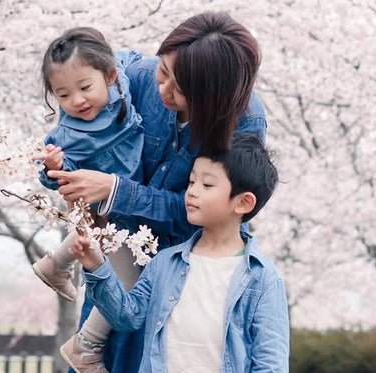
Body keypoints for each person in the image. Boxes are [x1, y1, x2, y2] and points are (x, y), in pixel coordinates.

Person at [46, 12, 268, 372]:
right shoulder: (137, 75)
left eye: (180, 90)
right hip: (115, 259)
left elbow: (213, 213)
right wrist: (72, 166)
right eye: (164, 72)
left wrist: (117, 190)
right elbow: (80, 87)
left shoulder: (244, 124)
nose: (163, 89)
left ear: (215, 97)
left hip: (182, 274)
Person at [70, 132, 290, 372]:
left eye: (207, 185)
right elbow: (126, 316)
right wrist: (97, 267)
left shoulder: (263, 279)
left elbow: (271, 364)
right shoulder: (165, 263)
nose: (192, 192)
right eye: (191, 182)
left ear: (243, 203)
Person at [31, 27, 144, 373]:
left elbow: (128, 59)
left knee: (113, 257)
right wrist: (53, 166)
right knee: (127, 278)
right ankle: (87, 345)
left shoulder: (121, 76)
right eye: (63, 95)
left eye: (84, 88)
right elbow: (53, 173)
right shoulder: (68, 133)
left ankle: (55, 265)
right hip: (104, 207)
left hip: (122, 198)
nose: (77, 101)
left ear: (109, 75)